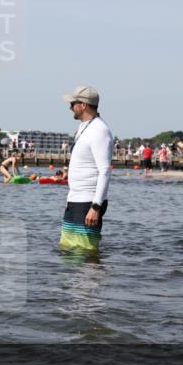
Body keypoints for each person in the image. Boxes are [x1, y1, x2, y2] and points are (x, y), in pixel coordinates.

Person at [60, 85, 113, 252]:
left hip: (89, 202)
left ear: (83, 105)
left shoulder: (100, 130)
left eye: (73, 103)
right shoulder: (84, 127)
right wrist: (71, 197)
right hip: (76, 199)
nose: (70, 107)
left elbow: (104, 171)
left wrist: (96, 207)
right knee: (68, 251)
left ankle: (92, 279)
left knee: (85, 253)